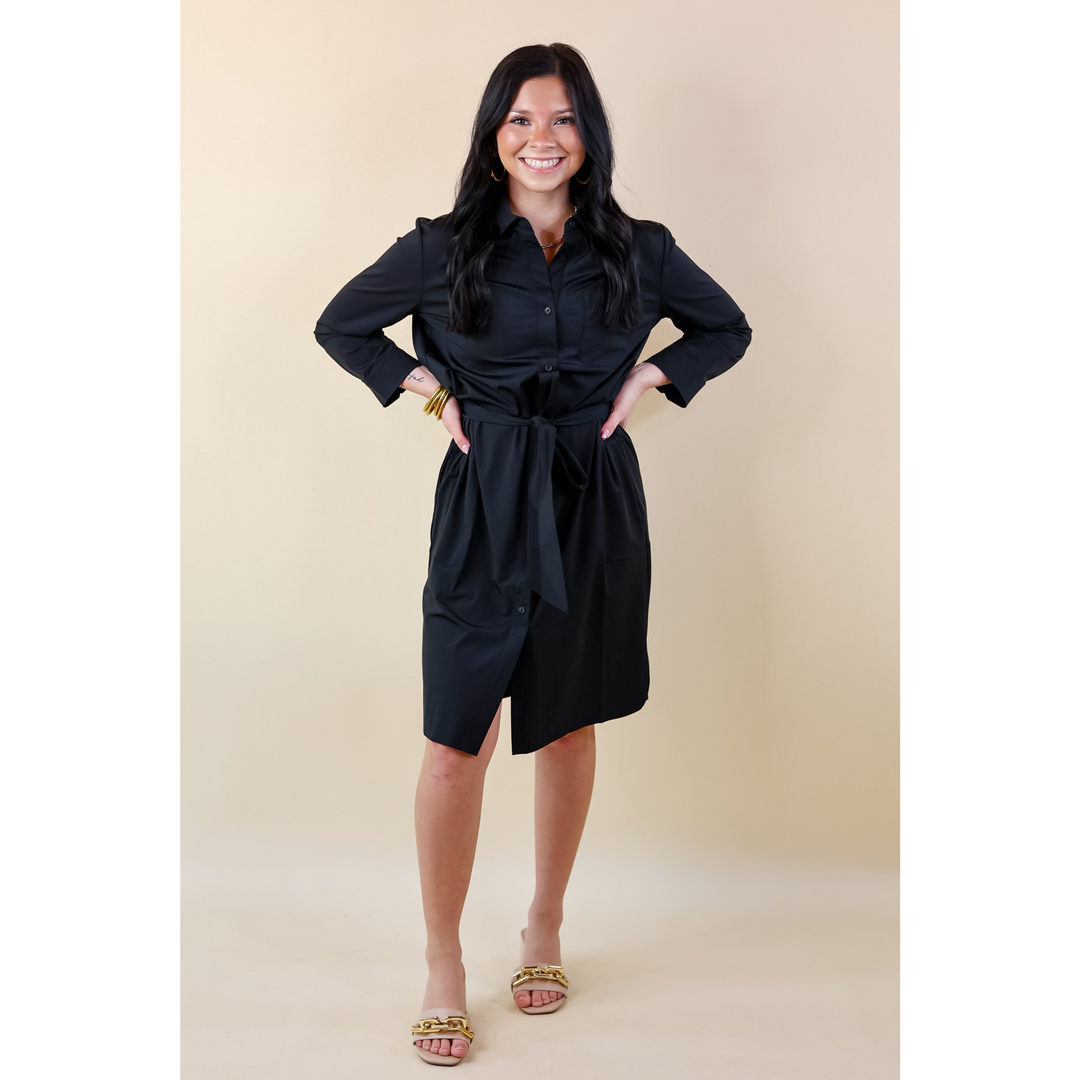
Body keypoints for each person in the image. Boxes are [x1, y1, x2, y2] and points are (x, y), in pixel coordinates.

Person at [314, 42, 751, 1066]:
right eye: (519, 119)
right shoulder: (441, 248)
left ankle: (544, 926)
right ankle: (442, 962)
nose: (541, 139)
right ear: (493, 135)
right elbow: (343, 326)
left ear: (588, 134)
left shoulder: (641, 250)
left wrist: (648, 380)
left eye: (561, 119)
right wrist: (431, 391)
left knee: (565, 727)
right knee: (454, 743)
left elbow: (724, 329)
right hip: (483, 504)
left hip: (592, 503)